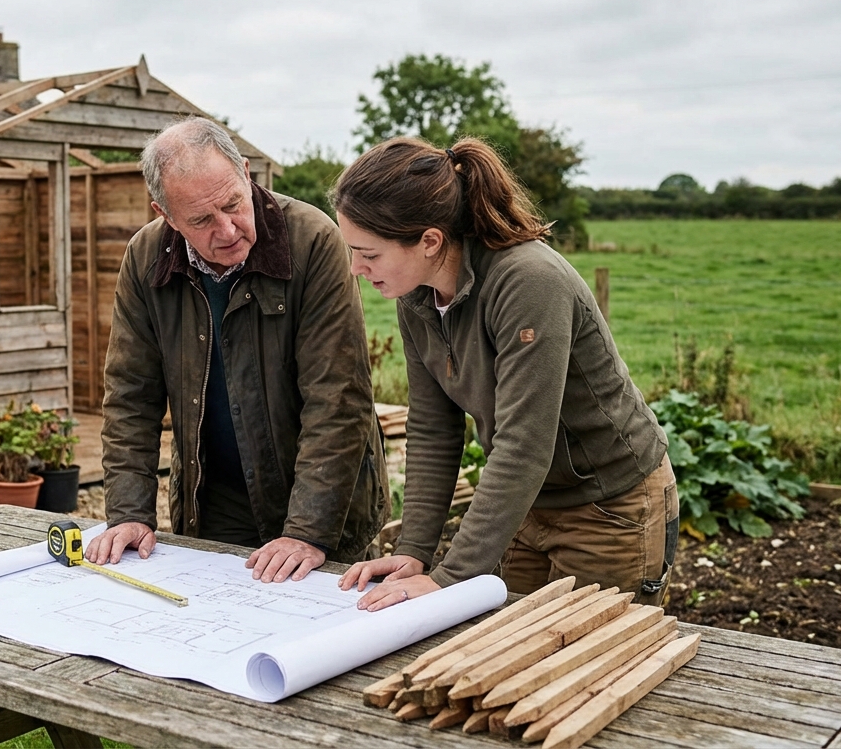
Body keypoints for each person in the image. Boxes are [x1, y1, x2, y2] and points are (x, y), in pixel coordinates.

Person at [333, 137, 677, 610]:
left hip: (607, 507)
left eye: (368, 254)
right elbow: (434, 429)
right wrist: (414, 552)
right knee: (506, 642)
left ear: (430, 241)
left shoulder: (528, 281)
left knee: (584, 662)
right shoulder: (416, 295)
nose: (355, 268)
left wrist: (449, 577)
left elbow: (524, 443)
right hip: (525, 504)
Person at [84, 117, 388, 582]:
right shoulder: (145, 260)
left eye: (232, 204)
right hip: (216, 499)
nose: (226, 230)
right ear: (165, 214)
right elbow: (130, 397)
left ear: (247, 174)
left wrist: (308, 530)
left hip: (322, 504)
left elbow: (338, 399)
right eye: (202, 220)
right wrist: (129, 513)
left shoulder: (313, 241)